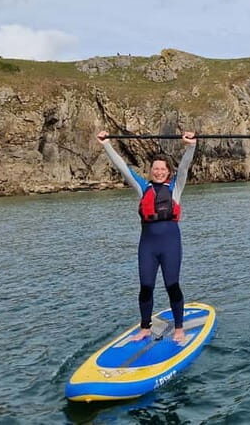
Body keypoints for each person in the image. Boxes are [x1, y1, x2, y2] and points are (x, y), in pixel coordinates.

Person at [96, 130, 197, 343]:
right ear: (150, 171)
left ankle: (179, 328)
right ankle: (145, 328)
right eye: (155, 169)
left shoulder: (175, 188)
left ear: (168, 172)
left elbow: (185, 166)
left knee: (172, 285)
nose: (159, 172)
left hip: (170, 245)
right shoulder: (143, 188)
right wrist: (106, 144)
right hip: (148, 247)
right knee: (146, 287)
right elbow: (123, 167)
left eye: (163, 169)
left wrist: (191, 146)